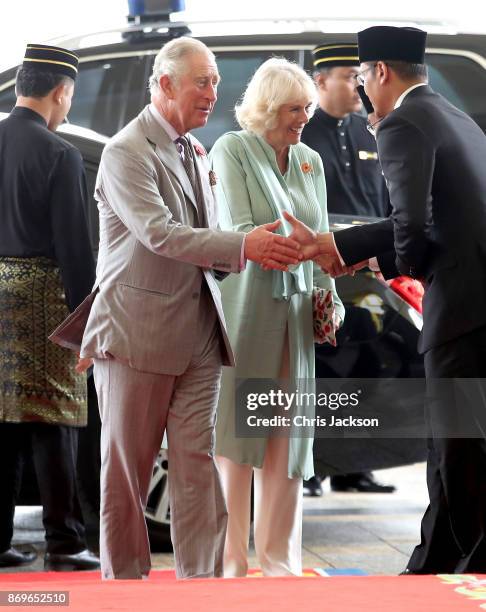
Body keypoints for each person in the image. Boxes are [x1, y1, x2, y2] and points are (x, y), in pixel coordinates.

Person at [50, 37, 303, 580]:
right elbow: (160, 234)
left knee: (197, 473)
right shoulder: (125, 151)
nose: (213, 92)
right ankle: (127, 588)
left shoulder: (196, 150)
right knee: (127, 476)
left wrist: (252, 246)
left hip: (201, 335)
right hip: (135, 336)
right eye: (202, 82)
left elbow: (205, 236)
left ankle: (201, 589)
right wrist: (242, 247)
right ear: (165, 84)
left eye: (214, 81)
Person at [287, 25, 486, 574]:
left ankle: (469, 569)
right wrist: (340, 244)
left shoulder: (400, 124)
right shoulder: (454, 115)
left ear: (380, 72)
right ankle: (434, 562)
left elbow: (411, 230)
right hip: (476, 304)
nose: (362, 94)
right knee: (454, 447)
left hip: (462, 310)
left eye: (363, 78)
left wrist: (382, 260)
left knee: (460, 449)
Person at [210, 57, 345, 577]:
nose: (304, 117)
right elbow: (241, 229)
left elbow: (324, 237)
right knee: (238, 441)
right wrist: (298, 247)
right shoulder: (233, 149)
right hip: (248, 310)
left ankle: (280, 565)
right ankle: (231, 564)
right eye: (294, 108)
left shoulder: (310, 159)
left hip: (298, 312)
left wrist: (327, 297)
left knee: (289, 441)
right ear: (267, 108)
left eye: (308, 107)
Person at [0, 44, 99, 571]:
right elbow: (73, 246)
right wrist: (87, 318)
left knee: (3, 417)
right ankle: (65, 542)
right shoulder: (57, 153)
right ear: (61, 91)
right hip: (41, 292)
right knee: (55, 417)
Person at [301, 42, 394, 497]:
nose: (358, 85)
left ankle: (354, 466)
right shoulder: (304, 135)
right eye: (345, 76)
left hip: (370, 272)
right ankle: (313, 467)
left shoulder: (368, 131)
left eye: (360, 76)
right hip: (327, 270)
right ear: (319, 82)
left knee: (367, 365)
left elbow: (384, 202)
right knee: (323, 369)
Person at [301, 42, 389, 218]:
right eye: (351, 77)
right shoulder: (301, 133)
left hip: (375, 238)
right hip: (325, 240)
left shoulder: (374, 130)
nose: (361, 87)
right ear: (322, 81)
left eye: (362, 78)